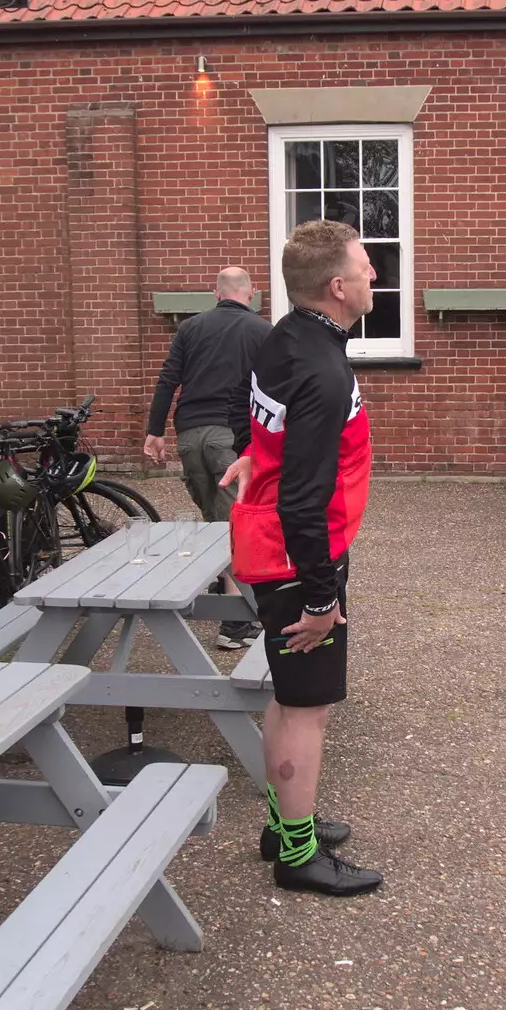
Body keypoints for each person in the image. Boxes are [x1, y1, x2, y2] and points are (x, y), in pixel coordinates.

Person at [219, 220, 383, 896]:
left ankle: (286, 823)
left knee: (290, 696)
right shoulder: (320, 366)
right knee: (308, 705)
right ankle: (297, 855)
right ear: (338, 286)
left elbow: (266, 421)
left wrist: (255, 451)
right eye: (367, 267)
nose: (376, 275)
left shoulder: (282, 339)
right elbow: (305, 501)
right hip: (298, 556)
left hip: (278, 544)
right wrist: (322, 597)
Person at [145, 266, 270, 649]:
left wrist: (154, 432)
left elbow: (168, 379)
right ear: (250, 295)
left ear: (216, 294)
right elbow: (273, 390)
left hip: (189, 436)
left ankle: (225, 588)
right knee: (236, 524)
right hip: (230, 436)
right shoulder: (263, 331)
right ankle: (235, 625)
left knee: (216, 519)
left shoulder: (190, 329)